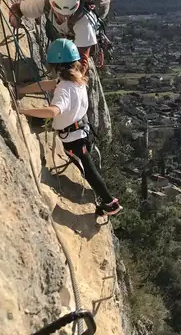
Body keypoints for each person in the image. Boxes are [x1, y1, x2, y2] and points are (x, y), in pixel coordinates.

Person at [18, 38, 122, 218]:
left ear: (55, 65)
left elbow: (53, 111)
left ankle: (110, 203)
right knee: (88, 168)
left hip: (73, 140)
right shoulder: (77, 79)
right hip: (82, 131)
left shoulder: (65, 88)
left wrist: (23, 110)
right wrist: (23, 90)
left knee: (89, 171)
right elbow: (48, 84)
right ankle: (108, 202)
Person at [9, 0, 98, 75]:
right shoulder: (43, 0)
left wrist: (66, 81)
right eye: (60, 13)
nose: (64, 18)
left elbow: (82, 61)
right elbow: (17, 8)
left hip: (78, 43)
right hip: (61, 35)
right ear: (52, 4)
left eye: (68, 14)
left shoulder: (83, 21)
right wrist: (14, 17)